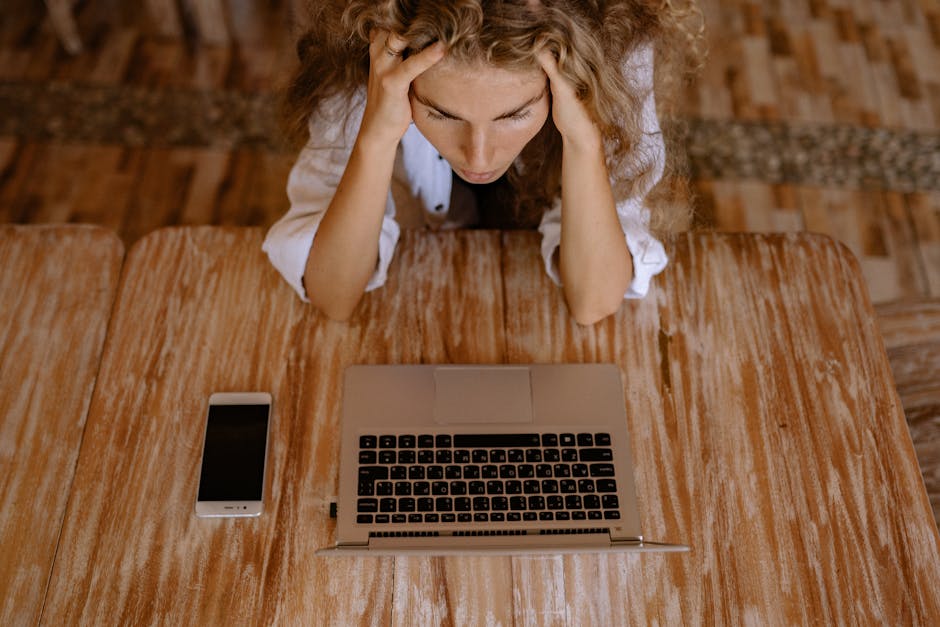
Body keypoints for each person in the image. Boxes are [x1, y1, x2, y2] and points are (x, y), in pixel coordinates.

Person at [264, 0, 700, 323]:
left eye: (513, 114)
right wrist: (375, 137)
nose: (478, 156)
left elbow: (594, 302)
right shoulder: (372, 54)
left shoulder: (613, 54)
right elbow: (333, 295)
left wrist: (584, 142)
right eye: (441, 113)